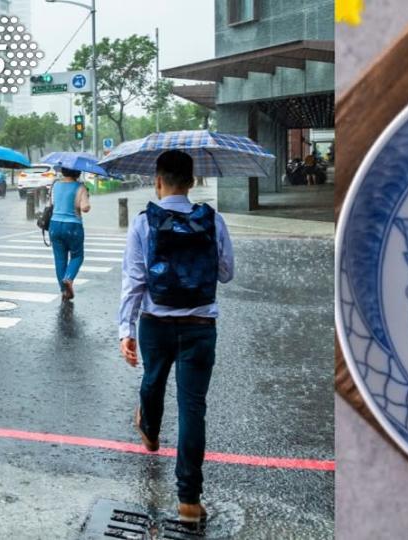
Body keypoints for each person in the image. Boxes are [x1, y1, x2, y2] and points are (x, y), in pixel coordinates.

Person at [117, 150, 234, 522]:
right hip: (200, 327)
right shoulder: (212, 221)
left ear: (157, 180)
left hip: (155, 323)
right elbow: (227, 273)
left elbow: (134, 281)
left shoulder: (143, 223)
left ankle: (149, 431)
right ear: (193, 181)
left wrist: (125, 330)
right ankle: (188, 501)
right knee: (192, 408)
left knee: (152, 382)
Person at [49, 167, 91, 301]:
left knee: (60, 259)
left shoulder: (55, 185)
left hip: (54, 225)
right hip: (73, 226)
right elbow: (85, 208)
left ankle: (64, 290)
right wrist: (86, 198)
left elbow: (52, 204)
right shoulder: (80, 187)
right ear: (77, 172)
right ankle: (68, 278)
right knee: (77, 256)